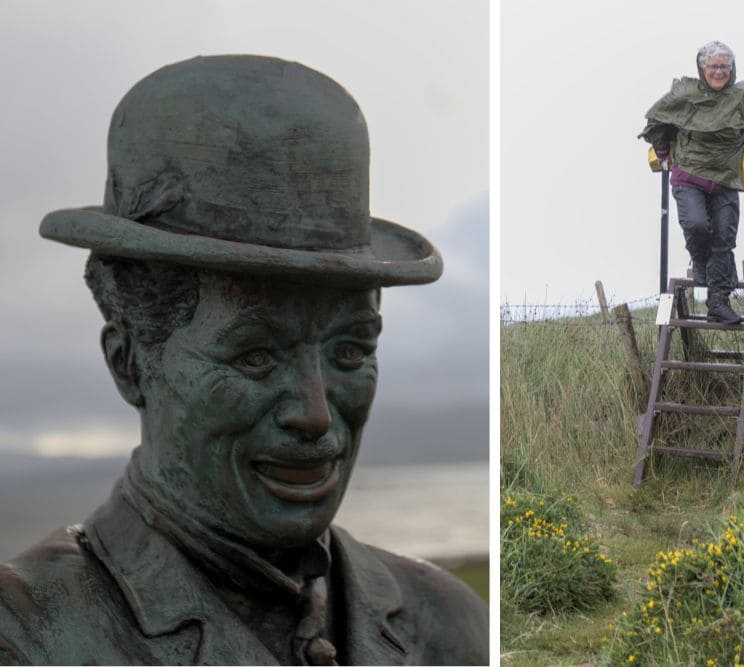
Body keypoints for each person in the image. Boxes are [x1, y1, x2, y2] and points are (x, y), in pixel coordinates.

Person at [0, 55, 488, 666]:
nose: (313, 413)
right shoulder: (22, 638)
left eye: (350, 352)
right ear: (129, 365)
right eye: (256, 356)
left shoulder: (453, 626)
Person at [640, 40, 744, 324]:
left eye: (724, 66)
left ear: (731, 69)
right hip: (688, 177)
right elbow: (660, 120)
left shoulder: (743, 96)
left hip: (726, 179)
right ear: (702, 68)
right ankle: (699, 263)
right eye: (713, 66)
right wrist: (661, 153)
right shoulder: (686, 94)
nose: (719, 72)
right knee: (697, 226)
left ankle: (718, 303)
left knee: (724, 238)